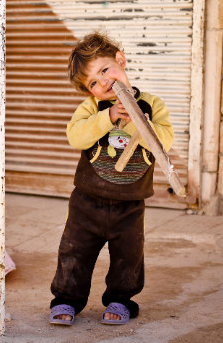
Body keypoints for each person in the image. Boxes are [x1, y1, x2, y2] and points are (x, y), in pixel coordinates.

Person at [48, 32, 174, 326]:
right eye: (93, 82)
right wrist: (108, 118)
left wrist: (135, 121)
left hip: (130, 203)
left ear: (120, 59)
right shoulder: (93, 107)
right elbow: (75, 136)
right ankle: (66, 300)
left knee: (128, 256)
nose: (103, 83)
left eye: (105, 70)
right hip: (87, 201)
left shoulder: (152, 105)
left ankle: (121, 300)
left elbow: (164, 142)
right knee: (74, 251)